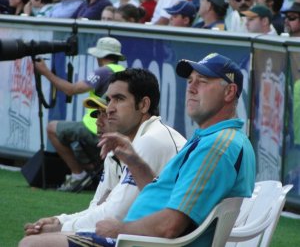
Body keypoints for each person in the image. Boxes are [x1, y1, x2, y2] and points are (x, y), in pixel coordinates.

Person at [20, 53, 256, 247]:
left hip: (139, 243)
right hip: (138, 240)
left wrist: (120, 229)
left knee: (32, 245)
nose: (191, 88)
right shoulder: (212, 139)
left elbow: (170, 225)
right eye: (190, 81)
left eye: (202, 81)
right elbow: (164, 199)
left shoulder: (217, 146)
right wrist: (136, 162)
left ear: (229, 92)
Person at [20, 68, 186, 244]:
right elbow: (98, 207)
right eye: (109, 100)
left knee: (34, 243)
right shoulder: (120, 148)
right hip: (136, 236)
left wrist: (62, 227)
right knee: (37, 239)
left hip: (152, 241)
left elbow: (116, 214)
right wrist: (60, 220)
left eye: (119, 99)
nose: (109, 109)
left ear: (144, 105)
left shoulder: (152, 140)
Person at [33, 37, 125, 192]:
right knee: (77, 144)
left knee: (51, 128)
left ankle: (78, 175)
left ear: (100, 56)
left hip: (96, 128)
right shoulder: (123, 72)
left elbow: (72, 89)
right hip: (115, 131)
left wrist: (45, 72)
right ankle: (91, 175)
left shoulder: (103, 71)